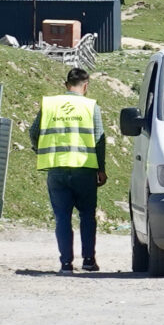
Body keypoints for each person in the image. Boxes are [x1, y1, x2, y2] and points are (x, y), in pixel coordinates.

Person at [29, 66, 108, 274]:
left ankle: (66, 263)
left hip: (56, 169)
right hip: (84, 169)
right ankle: (89, 260)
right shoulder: (91, 107)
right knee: (87, 216)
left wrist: (39, 149)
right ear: (86, 86)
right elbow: (100, 139)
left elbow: (33, 131)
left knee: (62, 217)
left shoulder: (50, 104)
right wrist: (101, 168)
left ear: (66, 85)